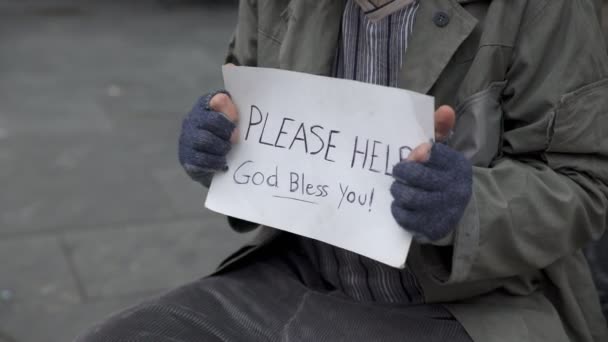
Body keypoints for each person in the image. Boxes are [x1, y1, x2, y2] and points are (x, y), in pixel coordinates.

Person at [78, 0, 608, 341]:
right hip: (300, 272)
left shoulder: (547, 9)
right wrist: (215, 146)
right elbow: (241, 109)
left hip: (473, 304)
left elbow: (583, 182)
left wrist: (467, 208)